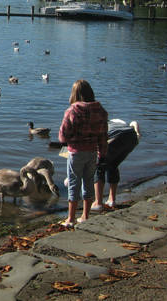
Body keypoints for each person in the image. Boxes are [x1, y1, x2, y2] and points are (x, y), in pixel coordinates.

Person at [58, 79, 108, 227]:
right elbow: (104, 136)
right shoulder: (100, 111)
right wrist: (103, 153)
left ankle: (71, 219)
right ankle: (86, 216)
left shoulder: (72, 111)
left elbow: (62, 136)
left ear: (74, 94)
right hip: (92, 152)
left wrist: (70, 140)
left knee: (74, 183)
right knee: (88, 181)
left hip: (75, 152)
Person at [92, 120, 141, 210]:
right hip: (131, 136)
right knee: (113, 165)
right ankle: (112, 200)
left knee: (98, 167)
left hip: (117, 137)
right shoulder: (111, 122)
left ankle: (98, 203)